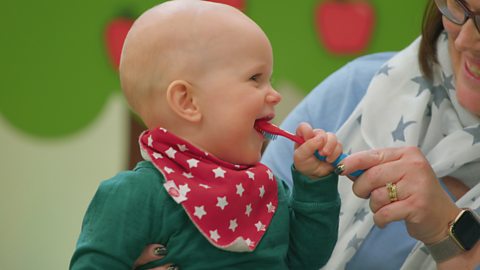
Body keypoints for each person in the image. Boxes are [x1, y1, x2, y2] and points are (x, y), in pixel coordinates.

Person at [69, 1, 344, 269]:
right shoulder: (133, 196)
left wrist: (314, 182)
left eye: (269, 79)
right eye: (255, 78)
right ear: (188, 102)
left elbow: (306, 260)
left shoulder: (268, 189)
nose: (274, 94)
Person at [261, 0, 480, 269]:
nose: (465, 40)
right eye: (460, 6)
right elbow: (245, 242)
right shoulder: (360, 87)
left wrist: (447, 234)